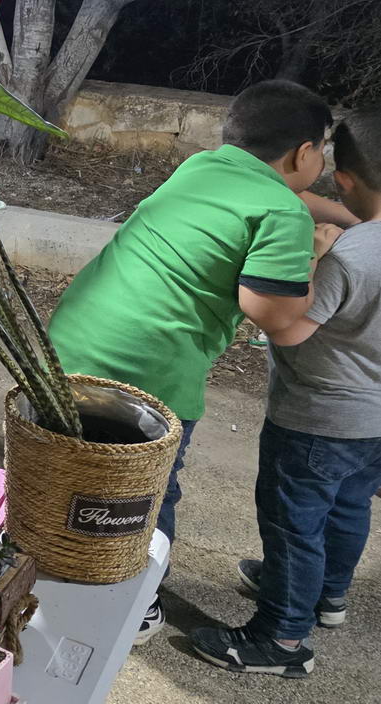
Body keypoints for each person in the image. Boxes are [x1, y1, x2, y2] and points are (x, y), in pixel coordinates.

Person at [45, 80, 339, 645]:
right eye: (321, 151)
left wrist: (344, 215)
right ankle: (136, 603)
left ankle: (56, 559)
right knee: (148, 488)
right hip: (150, 367)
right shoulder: (284, 214)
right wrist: (316, 252)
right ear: (304, 152)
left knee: (73, 461)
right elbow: (273, 315)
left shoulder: (202, 167)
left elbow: (283, 198)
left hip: (76, 338)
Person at [189, 110, 381, 678]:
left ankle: (281, 637)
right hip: (373, 421)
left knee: (293, 526)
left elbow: (289, 329)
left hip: (318, 418)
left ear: (342, 179)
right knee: (349, 507)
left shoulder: (349, 257)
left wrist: (315, 255)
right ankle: (327, 595)